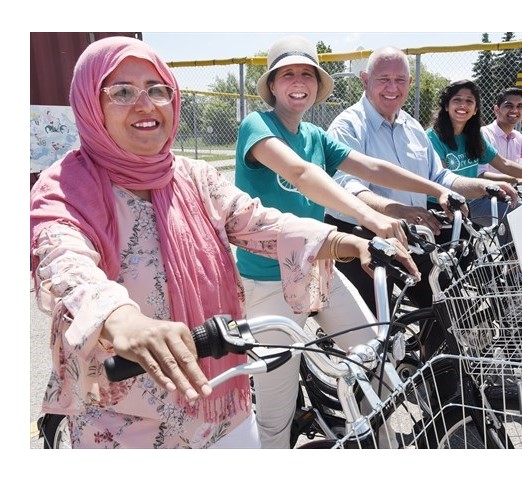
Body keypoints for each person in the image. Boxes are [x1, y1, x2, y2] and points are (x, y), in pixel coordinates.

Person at [29, 37, 410, 448]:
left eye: (158, 90)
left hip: (221, 399)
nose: (146, 104)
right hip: (125, 418)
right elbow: (64, 262)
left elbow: (256, 222)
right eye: (122, 92)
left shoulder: (193, 176)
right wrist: (121, 317)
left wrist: (346, 242)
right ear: (90, 103)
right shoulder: (65, 188)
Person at [234, 35, 451, 448]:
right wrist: (370, 217)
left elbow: (372, 165)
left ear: (317, 83)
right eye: (288, 74)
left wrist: (436, 190)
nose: (298, 81)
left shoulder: (316, 135)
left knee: (378, 364)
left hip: (319, 268)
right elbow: (300, 174)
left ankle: (378, 446)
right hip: (269, 282)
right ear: (273, 85)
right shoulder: (256, 126)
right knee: (276, 416)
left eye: (306, 74)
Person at [325, 46, 518, 313]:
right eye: (383, 79)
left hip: (411, 233)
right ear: (365, 79)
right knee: (376, 330)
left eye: (400, 80)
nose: (392, 87)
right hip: (361, 237)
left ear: (410, 83)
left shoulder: (412, 127)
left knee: (449, 312)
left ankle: (429, 351)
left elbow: (439, 177)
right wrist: (399, 210)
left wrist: (483, 187)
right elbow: (349, 187)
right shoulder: (347, 127)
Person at [426, 80, 522, 224]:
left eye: (469, 101)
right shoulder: (432, 137)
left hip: (468, 204)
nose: (463, 105)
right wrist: (488, 185)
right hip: (440, 207)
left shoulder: (473, 136)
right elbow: (445, 179)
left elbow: (504, 164)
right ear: (446, 106)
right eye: (457, 100)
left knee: (519, 217)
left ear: (475, 109)